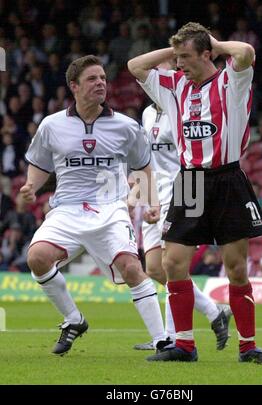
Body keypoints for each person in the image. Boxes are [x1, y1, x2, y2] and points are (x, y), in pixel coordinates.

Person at [128, 22, 262, 363]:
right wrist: (178, 47)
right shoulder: (174, 84)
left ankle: (248, 346)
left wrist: (212, 42)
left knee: (236, 267)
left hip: (228, 179)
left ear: (208, 54)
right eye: (176, 58)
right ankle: (184, 345)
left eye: (186, 57)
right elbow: (135, 66)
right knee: (172, 263)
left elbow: (246, 53)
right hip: (191, 180)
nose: (179, 64)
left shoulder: (231, 80)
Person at [20, 55, 167, 356]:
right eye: (92, 79)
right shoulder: (52, 125)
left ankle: (162, 340)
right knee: (36, 257)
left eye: (102, 78)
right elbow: (40, 163)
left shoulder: (125, 126)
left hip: (111, 208)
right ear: (73, 86)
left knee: (131, 267)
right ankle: (74, 320)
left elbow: (144, 166)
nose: (100, 83)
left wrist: (150, 202)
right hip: (67, 209)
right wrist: (31, 185)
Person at [132, 97, 231, 351]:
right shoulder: (146, 114)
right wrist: (144, 198)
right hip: (156, 195)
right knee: (154, 268)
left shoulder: (184, 113)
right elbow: (145, 160)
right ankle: (213, 312)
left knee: (171, 264)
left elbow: (196, 159)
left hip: (185, 189)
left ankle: (171, 338)